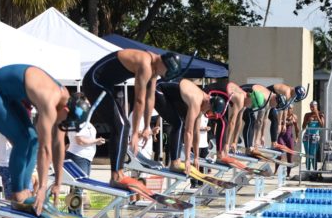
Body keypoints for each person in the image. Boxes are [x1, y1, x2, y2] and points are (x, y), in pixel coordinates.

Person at [0, 64, 83, 216]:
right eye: (65, 122)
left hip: (7, 95)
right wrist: (42, 188)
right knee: (23, 140)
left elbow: (58, 144)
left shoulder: (63, 98)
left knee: (33, 139)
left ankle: (25, 189)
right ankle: (18, 193)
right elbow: (46, 150)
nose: (62, 126)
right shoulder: (49, 102)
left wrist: (58, 183)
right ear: (66, 110)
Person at [82, 49, 180, 186]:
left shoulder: (154, 66)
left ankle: (118, 172)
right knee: (121, 126)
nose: (163, 76)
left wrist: (146, 127)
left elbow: (150, 98)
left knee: (122, 126)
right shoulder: (145, 64)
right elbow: (139, 100)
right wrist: (134, 133)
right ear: (164, 64)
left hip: (106, 85)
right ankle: (116, 176)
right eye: (166, 73)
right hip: (94, 82)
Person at [153, 79, 212, 174]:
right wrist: (188, 160)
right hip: (157, 88)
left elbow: (196, 132)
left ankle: (176, 160)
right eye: (208, 111)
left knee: (180, 122)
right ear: (208, 103)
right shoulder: (196, 101)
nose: (206, 113)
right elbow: (188, 132)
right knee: (178, 123)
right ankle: (174, 163)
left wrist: (196, 157)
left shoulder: (202, 103)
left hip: (170, 94)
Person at [203, 79, 247, 159]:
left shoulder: (244, 98)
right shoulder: (240, 99)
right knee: (223, 122)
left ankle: (221, 152)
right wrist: (227, 143)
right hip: (208, 93)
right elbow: (232, 122)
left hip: (218, 95)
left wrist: (234, 142)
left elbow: (239, 121)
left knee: (223, 122)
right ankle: (220, 153)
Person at [302, 100, 324, 171]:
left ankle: (314, 170)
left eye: (313, 106)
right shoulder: (307, 115)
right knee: (307, 155)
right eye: (310, 106)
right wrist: (308, 121)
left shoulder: (321, 114)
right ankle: (308, 170)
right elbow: (303, 127)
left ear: (316, 106)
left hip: (315, 136)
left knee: (313, 154)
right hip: (307, 136)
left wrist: (317, 115)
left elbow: (322, 125)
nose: (311, 108)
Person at [277, 105, 300, 175]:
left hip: (290, 137)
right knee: (280, 154)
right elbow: (277, 124)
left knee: (290, 156)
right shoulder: (282, 115)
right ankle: (276, 170)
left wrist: (297, 138)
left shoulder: (294, 117)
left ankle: (288, 173)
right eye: (289, 108)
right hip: (282, 137)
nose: (290, 110)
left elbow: (297, 129)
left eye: (291, 108)